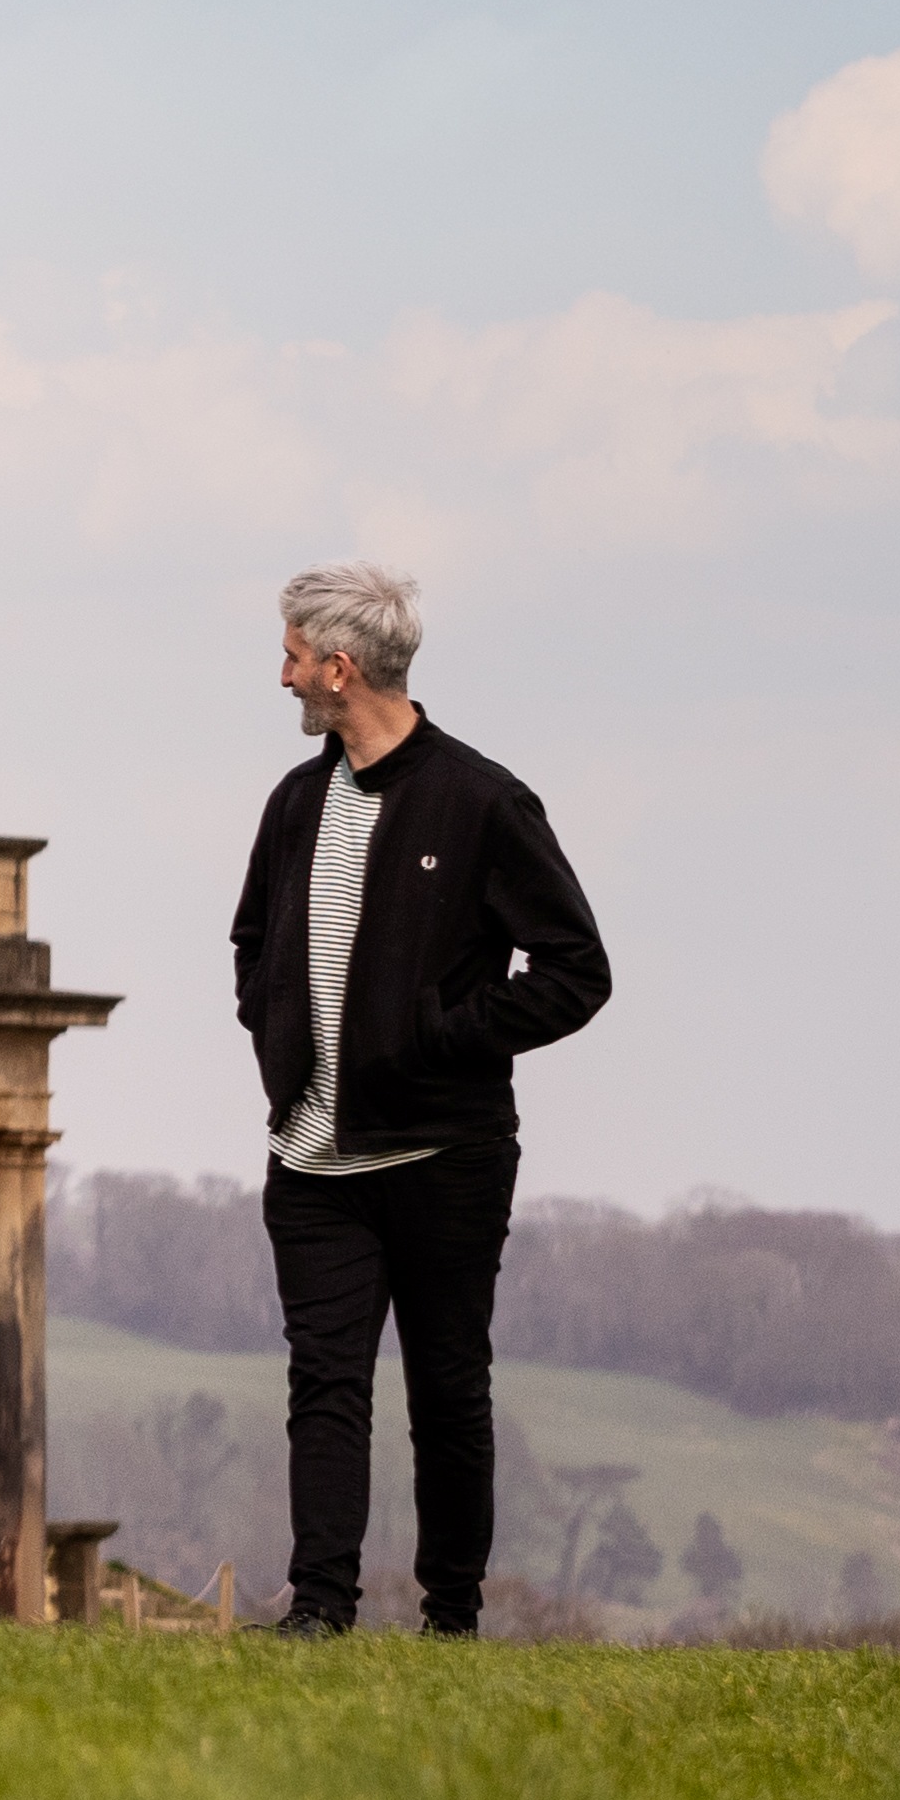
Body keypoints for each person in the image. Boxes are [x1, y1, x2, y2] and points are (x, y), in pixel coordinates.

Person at [233, 561, 614, 1639]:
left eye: (293, 656)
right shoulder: (296, 801)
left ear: (338, 667)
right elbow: (251, 940)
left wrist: (440, 1040)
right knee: (324, 1385)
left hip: (446, 1158)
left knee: (446, 1390)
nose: (282, 677)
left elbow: (575, 969)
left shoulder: (482, 800)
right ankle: (317, 1609)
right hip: (310, 1164)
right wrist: (274, 1035)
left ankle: (449, 1618)